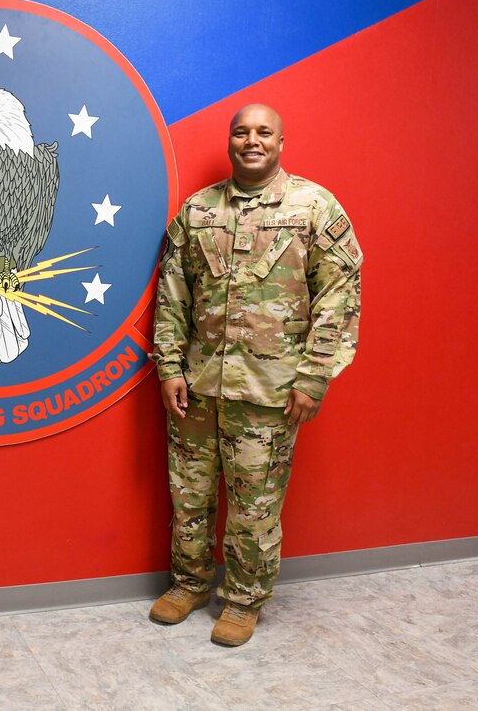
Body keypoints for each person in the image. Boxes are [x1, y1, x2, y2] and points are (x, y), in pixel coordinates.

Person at [148, 104, 362, 646]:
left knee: (255, 503)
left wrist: (315, 377)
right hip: (197, 386)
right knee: (189, 494)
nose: (252, 140)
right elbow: (172, 293)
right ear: (229, 141)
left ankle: (243, 601)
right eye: (241, 131)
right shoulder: (197, 210)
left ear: (281, 141)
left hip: (270, 390)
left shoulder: (313, 207)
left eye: (263, 132)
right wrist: (169, 366)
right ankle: (190, 583)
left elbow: (339, 297)